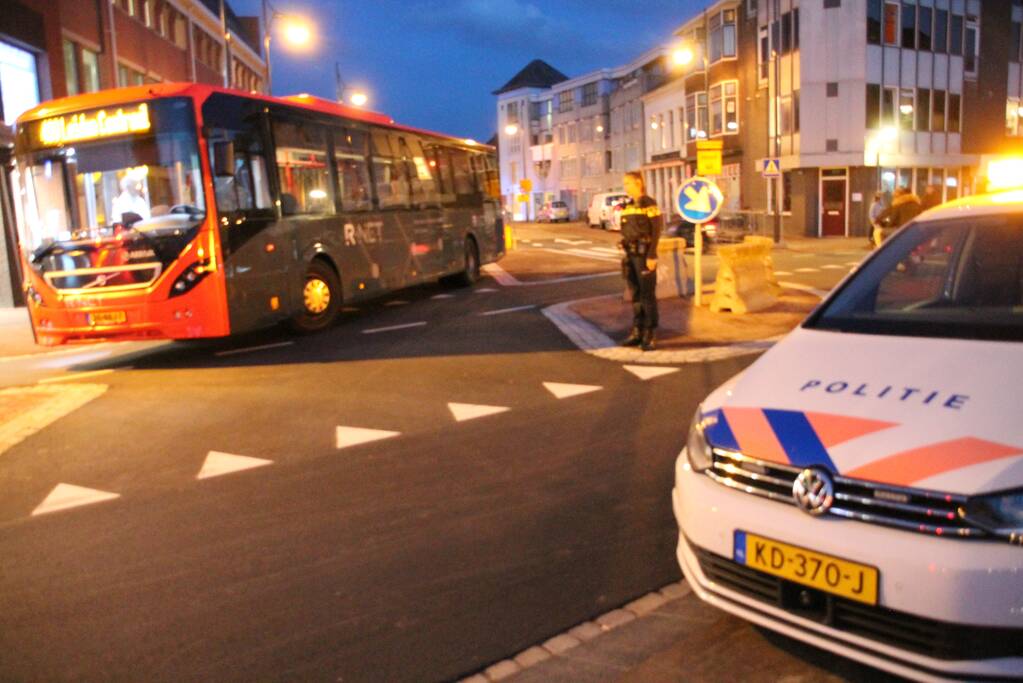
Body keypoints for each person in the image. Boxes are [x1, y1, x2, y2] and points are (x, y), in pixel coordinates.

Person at [618, 171, 663, 351]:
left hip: (644, 255)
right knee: (636, 295)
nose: (625, 186)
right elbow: (628, 230)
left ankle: (649, 333)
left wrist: (652, 255)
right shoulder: (628, 205)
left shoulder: (649, 203)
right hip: (631, 255)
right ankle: (637, 332)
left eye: (628, 183)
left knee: (647, 295)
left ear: (638, 183)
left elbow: (656, 229)